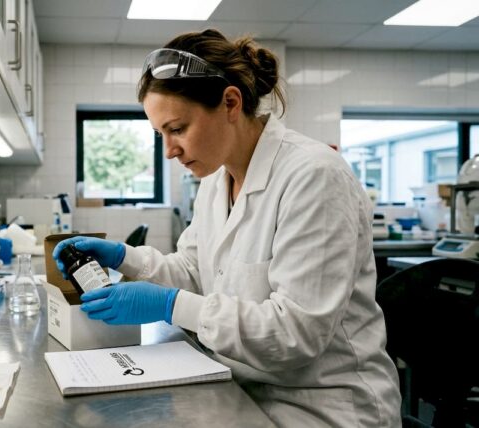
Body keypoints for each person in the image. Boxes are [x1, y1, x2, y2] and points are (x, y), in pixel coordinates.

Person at [53, 29, 401, 427]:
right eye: (160, 134)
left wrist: (170, 305)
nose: (169, 151)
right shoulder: (215, 182)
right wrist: (123, 257)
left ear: (230, 103)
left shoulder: (313, 175)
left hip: (321, 405)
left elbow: (295, 333)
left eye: (178, 129)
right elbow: (195, 270)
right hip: (239, 385)